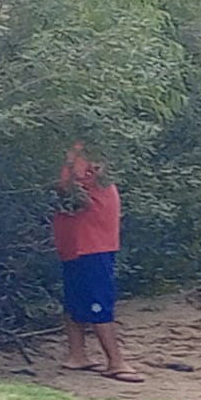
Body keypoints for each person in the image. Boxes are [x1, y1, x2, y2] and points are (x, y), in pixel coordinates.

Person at [52, 143, 143, 383]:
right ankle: (115, 361)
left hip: (89, 239)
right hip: (88, 240)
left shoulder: (83, 151)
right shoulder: (79, 153)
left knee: (77, 294)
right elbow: (68, 188)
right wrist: (86, 200)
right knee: (99, 297)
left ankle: (77, 354)